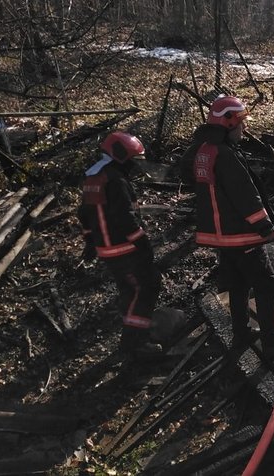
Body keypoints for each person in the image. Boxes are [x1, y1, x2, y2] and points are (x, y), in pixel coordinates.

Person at [187, 95, 274, 357]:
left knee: (238, 285)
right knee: (266, 284)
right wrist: (264, 226)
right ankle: (271, 340)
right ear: (228, 124)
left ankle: (241, 335)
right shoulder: (226, 155)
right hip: (241, 234)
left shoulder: (203, 151)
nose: (244, 128)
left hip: (220, 236)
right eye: (241, 123)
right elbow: (245, 195)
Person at [78, 131, 163, 360]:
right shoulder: (116, 181)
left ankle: (133, 336)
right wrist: (143, 244)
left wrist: (90, 242)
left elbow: (84, 214)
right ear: (122, 156)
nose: (135, 167)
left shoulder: (94, 177)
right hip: (124, 249)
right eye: (134, 161)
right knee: (147, 286)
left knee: (130, 290)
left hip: (107, 249)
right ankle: (134, 343)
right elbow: (126, 218)